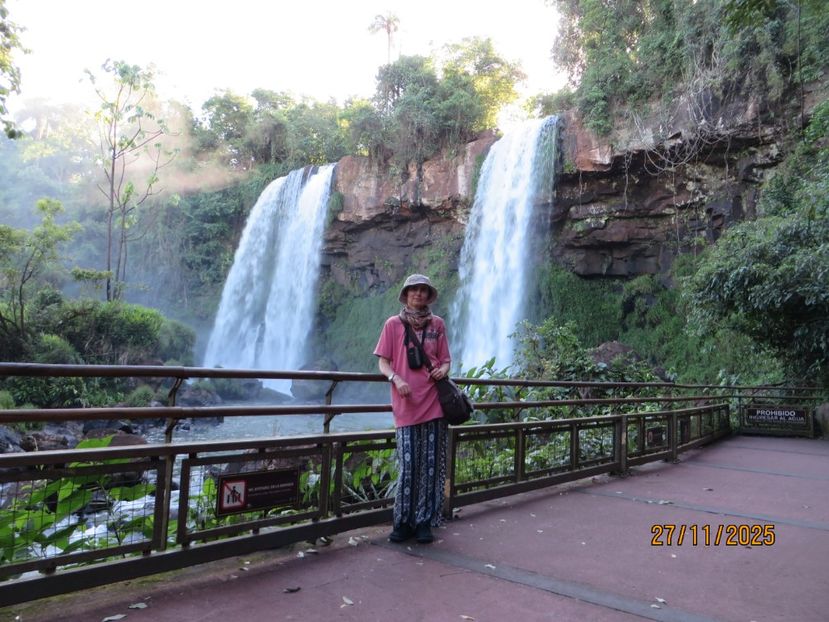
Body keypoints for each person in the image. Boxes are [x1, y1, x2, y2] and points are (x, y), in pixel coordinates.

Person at [374, 274, 451, 544]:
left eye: (423, 290)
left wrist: (442, 370)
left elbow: (445, 360)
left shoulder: (437, 325)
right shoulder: (393, 325)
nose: (418, 294)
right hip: (405, 404)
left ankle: (424, 523)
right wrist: (396, 378)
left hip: (434, 404)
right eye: (413, 290)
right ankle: (402, 521)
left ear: (428, 296)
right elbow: (383, 362)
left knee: (430, 466)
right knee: (409, 466)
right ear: (406, 294)